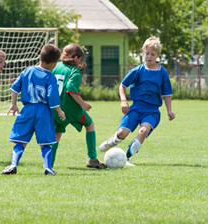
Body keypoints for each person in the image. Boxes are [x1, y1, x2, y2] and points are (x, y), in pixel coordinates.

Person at [99, 37, 176, 166]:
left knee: (143, 131)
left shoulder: (162, 72)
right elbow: (122, 85)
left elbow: (167, 94)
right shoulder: (137, 70)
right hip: (136, 108)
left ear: (158, 55)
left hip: (152, 110)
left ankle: (126, 157)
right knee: (123, 132)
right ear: (143, 54)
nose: (149, 57)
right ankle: (113, 140)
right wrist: (124, 101)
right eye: (147, 54)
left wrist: (169, 110)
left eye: (152, 54)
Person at [1, 44, 65, 176]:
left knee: (21, 140)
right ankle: (47, 167)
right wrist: (59, 111)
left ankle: (13, 165)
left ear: (40, 57)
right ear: (54, 64)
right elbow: (52, 98)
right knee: (46, 142)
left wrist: (13, 104)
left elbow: (14, 88)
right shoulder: (50, 77)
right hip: (44, 111)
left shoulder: (27, 71)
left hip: (27, 109)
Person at [50, 43, 107, 169]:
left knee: (57, 134)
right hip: (72, 110)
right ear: (75, 58)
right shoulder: (74, 71)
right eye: (80, 59)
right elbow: (71, 89)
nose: (80, 62)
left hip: (55, 108)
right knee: (90, 124)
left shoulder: (56, 66)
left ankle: (49, 164)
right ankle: (92, 159)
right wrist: (83, 104)